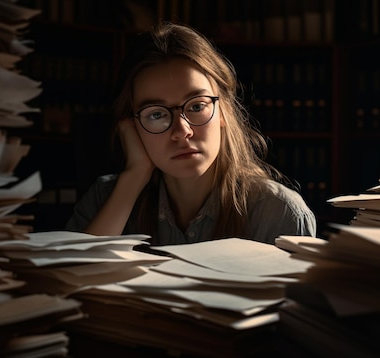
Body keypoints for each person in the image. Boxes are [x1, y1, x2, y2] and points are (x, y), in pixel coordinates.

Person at [66, 22, 316, 245]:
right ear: (130, 126)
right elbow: (68, 286)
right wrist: (134, 177)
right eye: (156, 114)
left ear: (224, 111)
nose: (181, 131)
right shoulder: (105, 198)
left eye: (196, 106)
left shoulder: (280, 212)